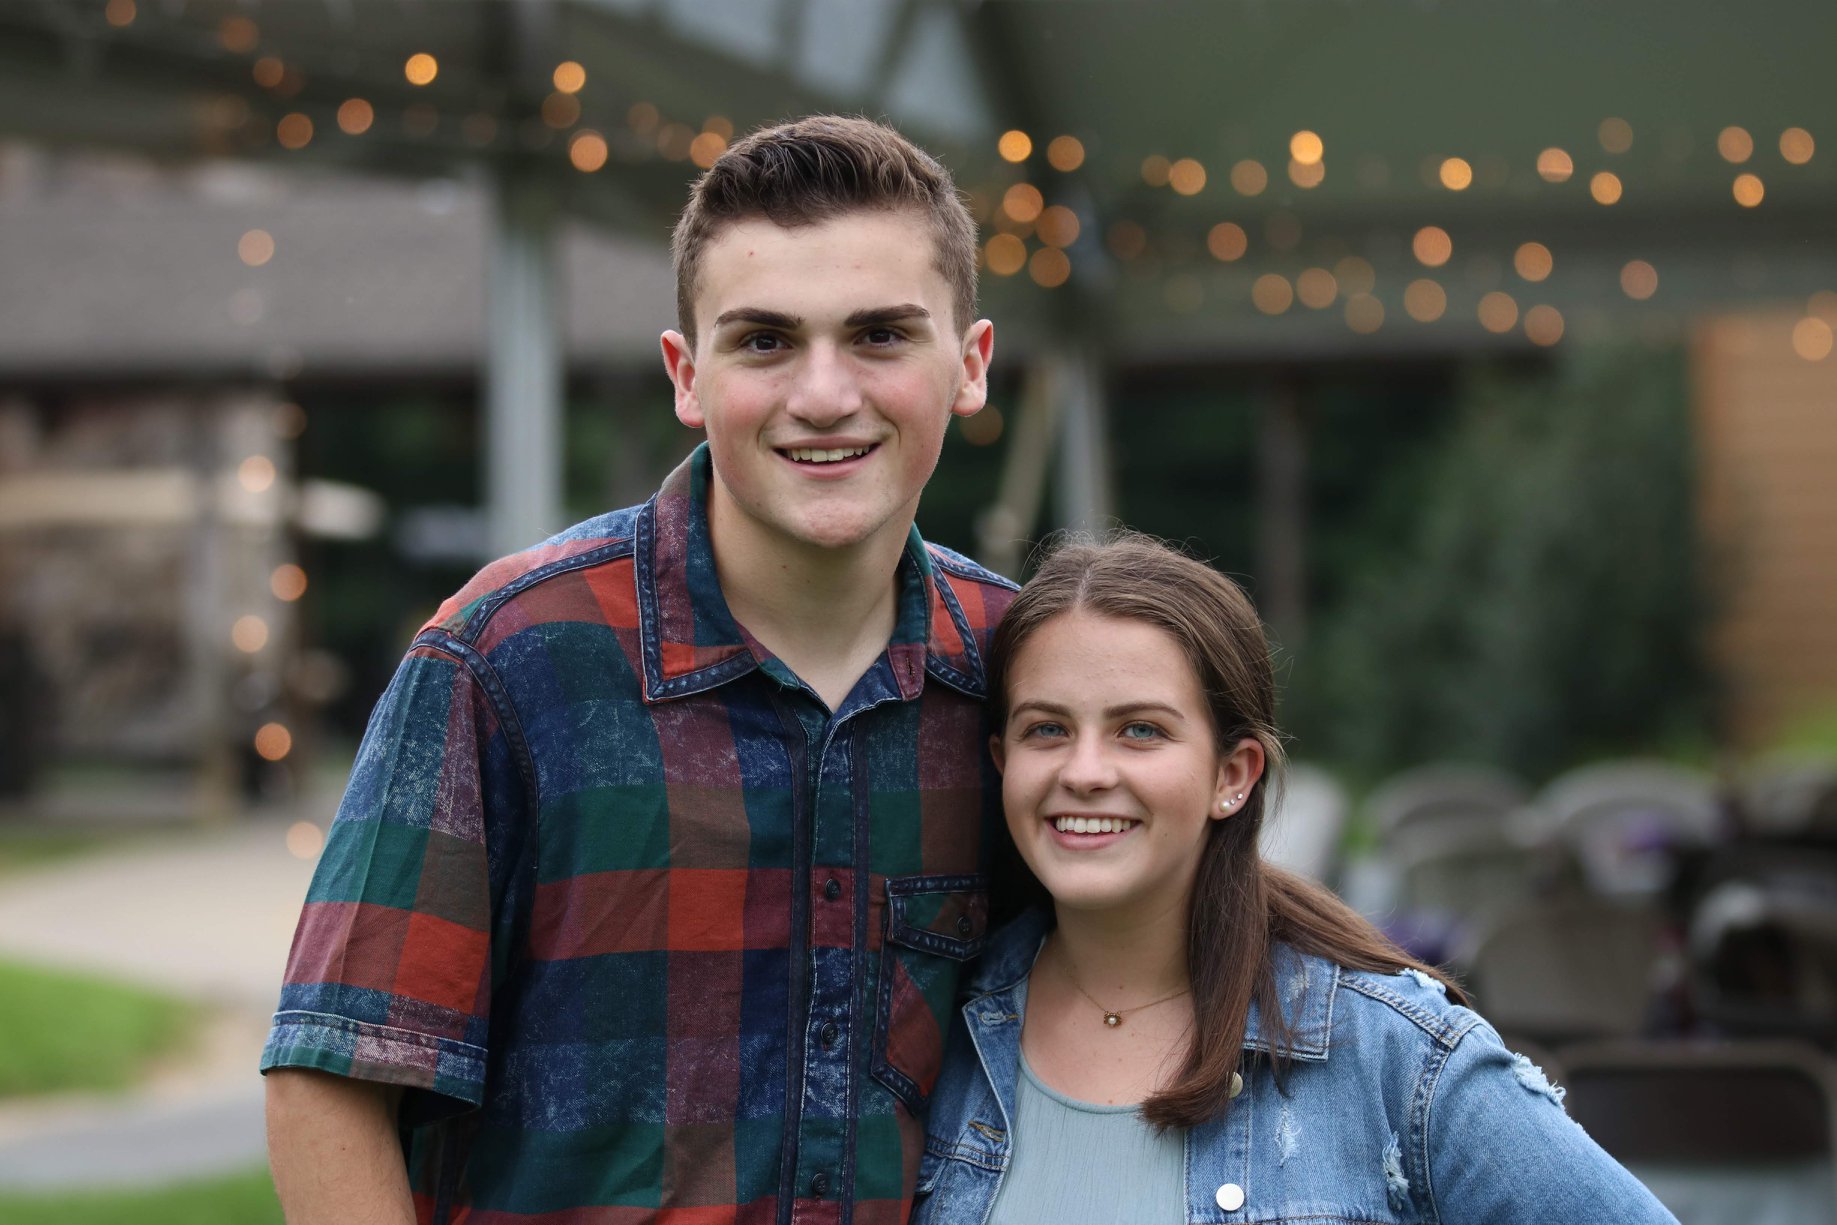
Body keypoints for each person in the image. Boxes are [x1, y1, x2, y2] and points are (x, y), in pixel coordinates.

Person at [262, 115, 1016, 1225]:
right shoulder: (508, 659)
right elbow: (331, 1085)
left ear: (969, 365)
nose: (822, 394)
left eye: (879, 337)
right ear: (686, 374)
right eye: (763, 341)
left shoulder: (1018, 670)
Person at [912, 534, 1678, 1224]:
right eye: (1046, 729)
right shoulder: (928, 1023)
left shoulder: (1391, 1054)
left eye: (1139, 729)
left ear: (1232, 774)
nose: (1083, 772)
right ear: (1002, 761)